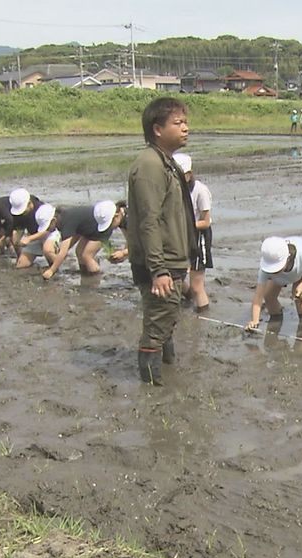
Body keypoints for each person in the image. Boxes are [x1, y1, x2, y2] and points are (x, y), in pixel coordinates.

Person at [124, 97, 196, 385]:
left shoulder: (165, 163)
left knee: (167, 319)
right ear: (157, 129)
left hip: (171, 259)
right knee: (157, 326)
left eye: (185, 122)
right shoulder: (150, 166)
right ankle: (152, 391)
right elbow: (148, 221)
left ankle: (167, 373)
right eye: (178, 123)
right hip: (161, 263)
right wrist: (159, 270)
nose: (185, 128)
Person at [247, 235, 302, 331]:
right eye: (272, 269)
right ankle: (276, 320)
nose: (274, 271)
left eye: (277, 267)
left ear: (288, 258)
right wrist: (255, 320)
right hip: (286, 267)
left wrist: (301, 286)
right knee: (268, 296)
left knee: (297, 294)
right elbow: (258, 296)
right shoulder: (266, 266)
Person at [41, 201, 124, 280]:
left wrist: (51, 270)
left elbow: (63, 252)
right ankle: (85, 275)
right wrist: (60, 255)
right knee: (79, 252)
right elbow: (76, 235)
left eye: (48, 227)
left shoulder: (66, 223)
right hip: (90, 229)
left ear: (54, 220)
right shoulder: (65, 217)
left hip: (102, 228)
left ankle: (95, 278)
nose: (48, 230)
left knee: (87, 256)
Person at [173, 152, 213, 312]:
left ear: (188, 174)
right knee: (175, 274)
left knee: (197, 286)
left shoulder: (200, 191)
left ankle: (202, 316)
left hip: (198, 237)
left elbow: (206, 221)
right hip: (181, 234)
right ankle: (188, 300)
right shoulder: (175, 190)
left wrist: (185, 224)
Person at [17, 202, 63, 271]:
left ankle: (55, 269)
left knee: (47, 250)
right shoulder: (19, 215)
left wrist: (29, 239)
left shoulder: (42, 210)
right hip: (35, 235)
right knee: (21, 265)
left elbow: (49, 229)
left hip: (50, 233)